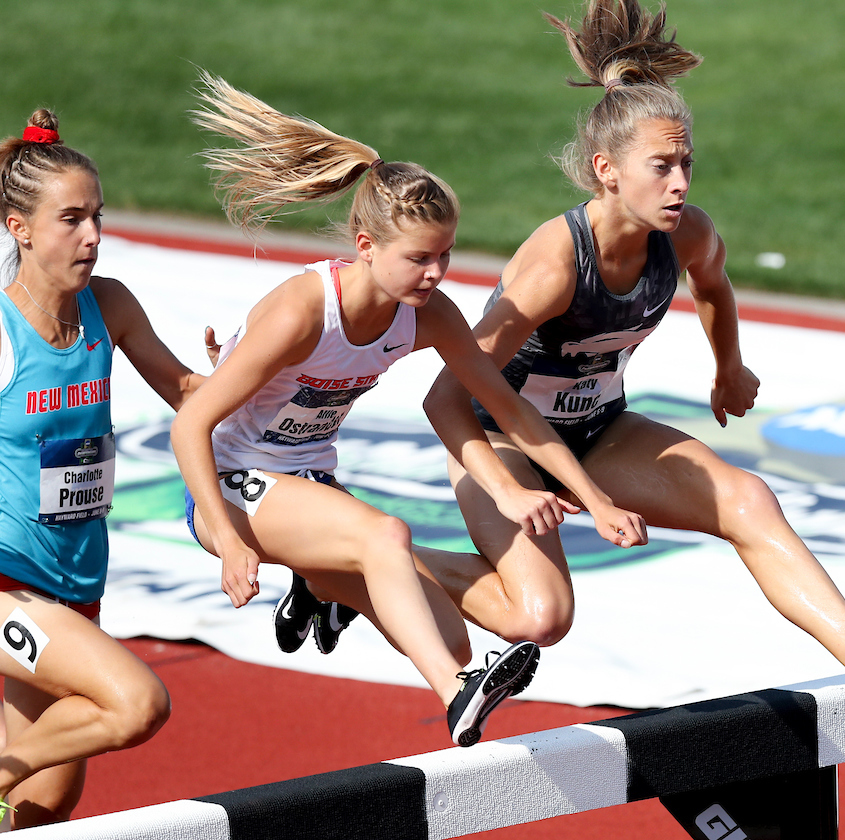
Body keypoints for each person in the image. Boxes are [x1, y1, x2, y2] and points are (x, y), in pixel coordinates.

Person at [421, 0, 845, 725]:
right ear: (607, 170)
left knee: (746, 497)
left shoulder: (686, 235)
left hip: (600, 431)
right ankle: (367, 564)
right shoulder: (552, 265)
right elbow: (446, 396)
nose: (680, 184)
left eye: (686, 164)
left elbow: (714, 288)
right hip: (502, 441)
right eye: (661, 167)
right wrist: (507, 487)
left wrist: (729, 369)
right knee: (540, 619)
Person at [173, 72, 647, 747]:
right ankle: (456, 697)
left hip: (310, 484)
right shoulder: (305, 310)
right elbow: (191, 424)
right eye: (420, 258)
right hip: (231, 484)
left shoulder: (428, 314)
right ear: (366, 248)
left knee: (461, 634)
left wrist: (593, 499)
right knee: (386, 536)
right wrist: (224, 539)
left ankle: (330, 588)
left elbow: (506, 407)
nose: (436, 273)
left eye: (446, 255)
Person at [0, 111, 197, 826]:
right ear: (20, 228)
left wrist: (262, 365)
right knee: (137, 702)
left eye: (98, 216)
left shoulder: (107, 306)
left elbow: (189, 396)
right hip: (8, 583)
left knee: (41, 806)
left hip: (77, 578)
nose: (93, 235)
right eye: (71, 219)